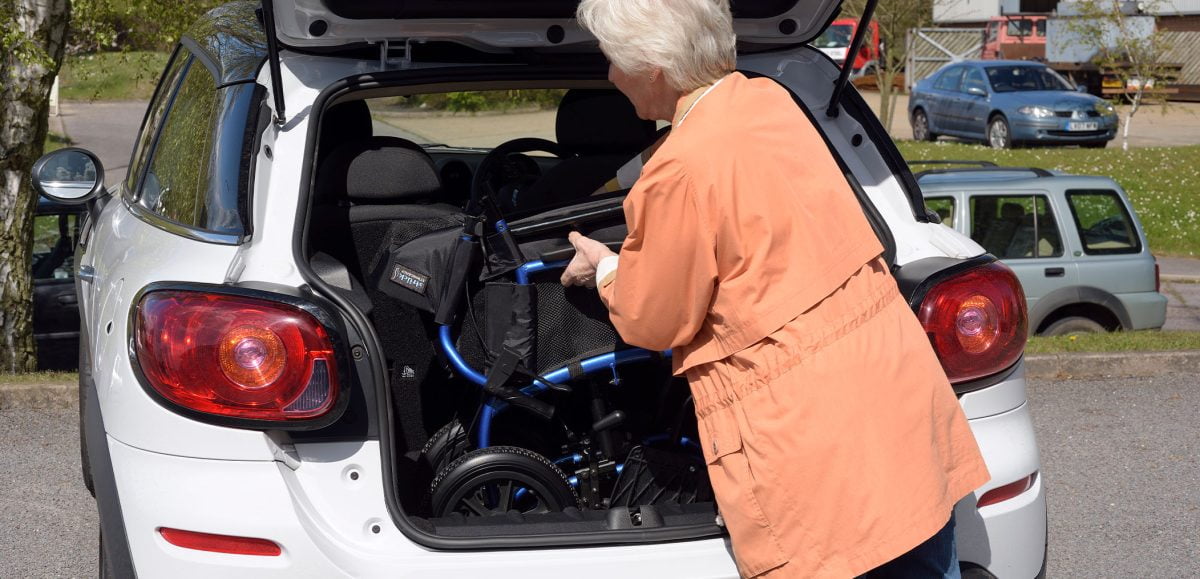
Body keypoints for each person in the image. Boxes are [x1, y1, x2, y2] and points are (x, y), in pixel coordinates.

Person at [561, 1, 991, 577]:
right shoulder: (771, 102)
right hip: (898, 406)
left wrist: (607, 267)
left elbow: (654, 320)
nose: (610, 77)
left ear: (653, 69)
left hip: (812, 445)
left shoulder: (679, 171)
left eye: (613, 61)